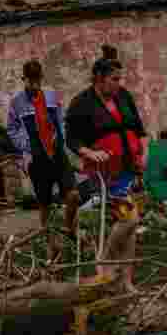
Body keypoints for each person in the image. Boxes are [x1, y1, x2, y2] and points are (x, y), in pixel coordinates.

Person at [66, 45, 146, 287]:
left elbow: (140, 131)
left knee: (130, 225)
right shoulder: (82, 103)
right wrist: (89, 152)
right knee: (130, 220)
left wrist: (143, 156)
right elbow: (71, 138)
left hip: (128, 169)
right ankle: (106, 265)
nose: (119, 83)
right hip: (104, 174)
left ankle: (126, 281)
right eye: (114, 79)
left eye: (120, 78)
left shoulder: (123, 97)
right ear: (99, 80)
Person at [6, 59, 80, 234]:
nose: (34, 84)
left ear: (41, 78)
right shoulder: (16, 101)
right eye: (30, 80)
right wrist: (26, 146)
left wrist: (62, 142)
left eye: (37, 80)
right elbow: (12, 128)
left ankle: (69, 229)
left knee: (73, 195)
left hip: (57, 154)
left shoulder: (51, 96)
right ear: (23, 79)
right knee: (44, 204)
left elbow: (61, 120)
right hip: (37, 159)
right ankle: (48, 242)